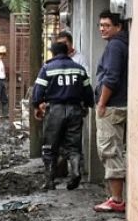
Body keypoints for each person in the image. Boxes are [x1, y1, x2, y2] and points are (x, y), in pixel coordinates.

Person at [31, 41, 95, 190]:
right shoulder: (79, 69)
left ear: (52, 53)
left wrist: (37, 105)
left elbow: (38, 89)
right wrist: (87, 105)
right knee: (74, 145)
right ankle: (75, 172)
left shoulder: (47, 68)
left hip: (55, 110)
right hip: (74, 109)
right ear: (67, 52)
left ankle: (49, 180)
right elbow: (87, 90)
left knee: (49, 146)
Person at [93, 10, 129, 213]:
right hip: (117, 104)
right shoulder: (121, 44)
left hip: (112, 105)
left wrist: (101, 104)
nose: (102, 29)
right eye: (100, 25)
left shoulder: (115, 46)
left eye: (107, 25)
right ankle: (115, 197)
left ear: (118, 27)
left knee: (109, 149)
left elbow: (111, 78)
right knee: (113, 149)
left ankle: (116, 199)